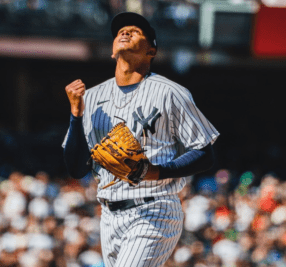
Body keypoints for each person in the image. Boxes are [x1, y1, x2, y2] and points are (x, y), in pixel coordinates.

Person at [62, 12, 220, 267]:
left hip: (154, 208)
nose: (124, 33)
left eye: (135, 31)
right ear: (113, 51)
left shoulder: (170, 93)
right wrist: (75, 116)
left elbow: (205, 153)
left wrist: (156, 172)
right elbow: (76, 168)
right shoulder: (90, 98)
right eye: (120, 32)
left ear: (152, 49)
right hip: (109, 215)